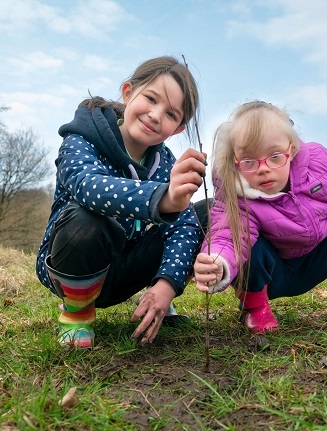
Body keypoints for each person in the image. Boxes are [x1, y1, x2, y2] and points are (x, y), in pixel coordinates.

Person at [192, 101, 327, 335]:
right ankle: (255, 308)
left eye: (275, 156)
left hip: (318, 259)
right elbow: (227, 236)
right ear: (236, 160)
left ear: (292, 149)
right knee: (244, 242)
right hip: (274, 273)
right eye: (249, 162)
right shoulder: (236, 192)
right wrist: (217, 262)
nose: (263, 169)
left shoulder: (319, 164)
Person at [35, 56, 208, 348]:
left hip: (128, 270)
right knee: (86, 218)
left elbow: (184, 226)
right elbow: (87, 187)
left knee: (207, 213)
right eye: (151, 99)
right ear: (128, 92)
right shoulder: (81, 139)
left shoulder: (166, 163)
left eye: (170, 114)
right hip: (75, 264)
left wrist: (166, 284)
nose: (155, 115)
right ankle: (76, 313)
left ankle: (156, 301)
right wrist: (162, 197)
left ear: (177, 129)